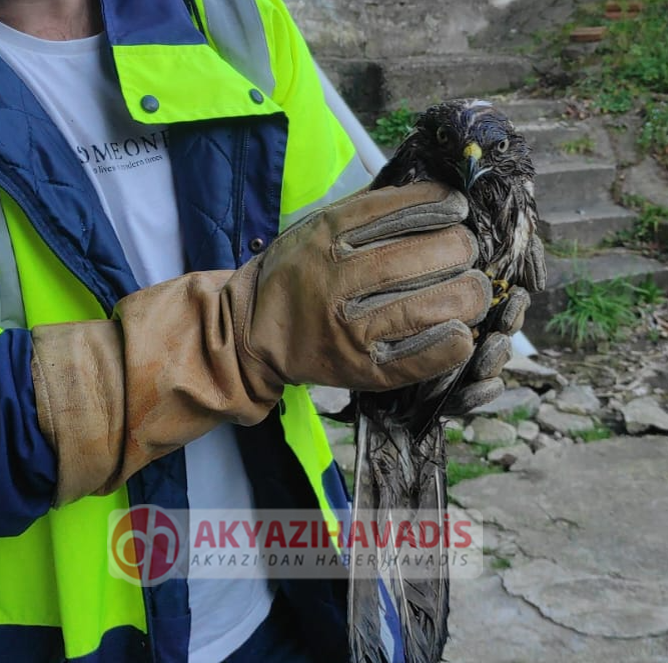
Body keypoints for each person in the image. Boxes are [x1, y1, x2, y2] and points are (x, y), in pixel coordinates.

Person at [0, 1, 545, 661]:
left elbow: (350, 253)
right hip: (67, 641)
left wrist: (415, 342)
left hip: (290, 601)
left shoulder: (236, 20)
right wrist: (229, 339)